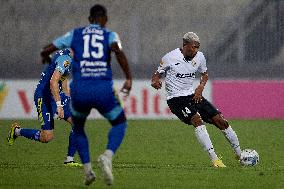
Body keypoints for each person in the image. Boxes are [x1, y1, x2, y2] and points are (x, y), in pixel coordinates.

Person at [40, 4, 132, 186]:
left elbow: (48, 48)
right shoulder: (110, 35)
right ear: (105, 19)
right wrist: (128, 77)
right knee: (119, 123)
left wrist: (45, 55)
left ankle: (88, 170)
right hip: (102, 89)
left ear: (90, 19)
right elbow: (118, 51)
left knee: (79, 127)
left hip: (80, 91)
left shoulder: (74, 34)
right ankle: (107, 155)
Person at [151, 32, 241, 168]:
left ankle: (240, 155)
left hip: (193, 95)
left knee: (220, 121)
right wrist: (155, 81)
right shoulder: (170, 57)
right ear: (185, 45)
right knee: (197, 120)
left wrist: (200, 87)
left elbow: (204, 74)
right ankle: (215, 160)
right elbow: (157, 74)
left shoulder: (200, 57)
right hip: (175, 99)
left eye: (197, 47)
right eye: (193, 47)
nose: (195, 50)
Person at [7, 49, 82, 167]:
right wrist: (59, 106)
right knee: (47, 137)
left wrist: (68, 97)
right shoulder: (65, 59)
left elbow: (63, 79)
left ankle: (69, 159)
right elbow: (53, 82)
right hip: (44, 97)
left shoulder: (65, 56)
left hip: (56, 95)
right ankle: (17, 131)